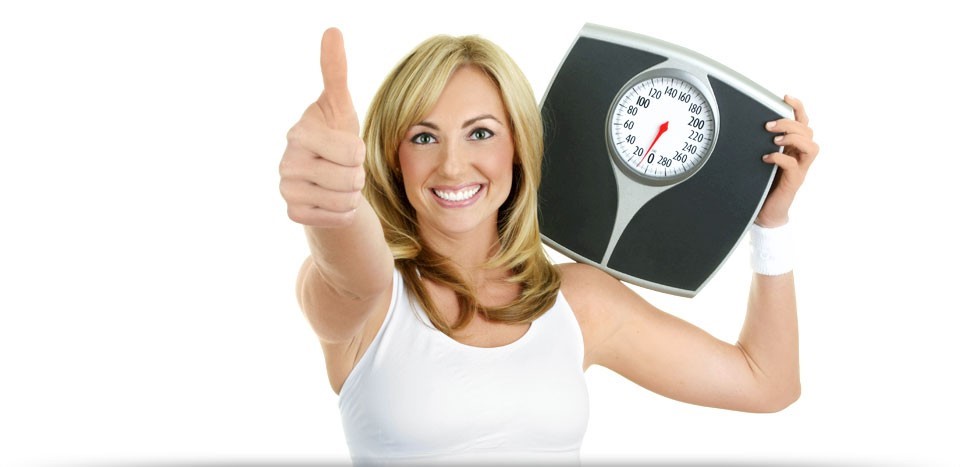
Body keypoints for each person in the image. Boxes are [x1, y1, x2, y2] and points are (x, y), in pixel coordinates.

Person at [278, 27, 819, 465]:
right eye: (423, 137)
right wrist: (336, 205)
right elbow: (352, 270)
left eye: (480, 133)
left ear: (518, 146)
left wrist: (770, 224)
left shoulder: (579, 303)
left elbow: (767, 383)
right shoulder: (373, 301)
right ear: (394, 159)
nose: (453, 165)